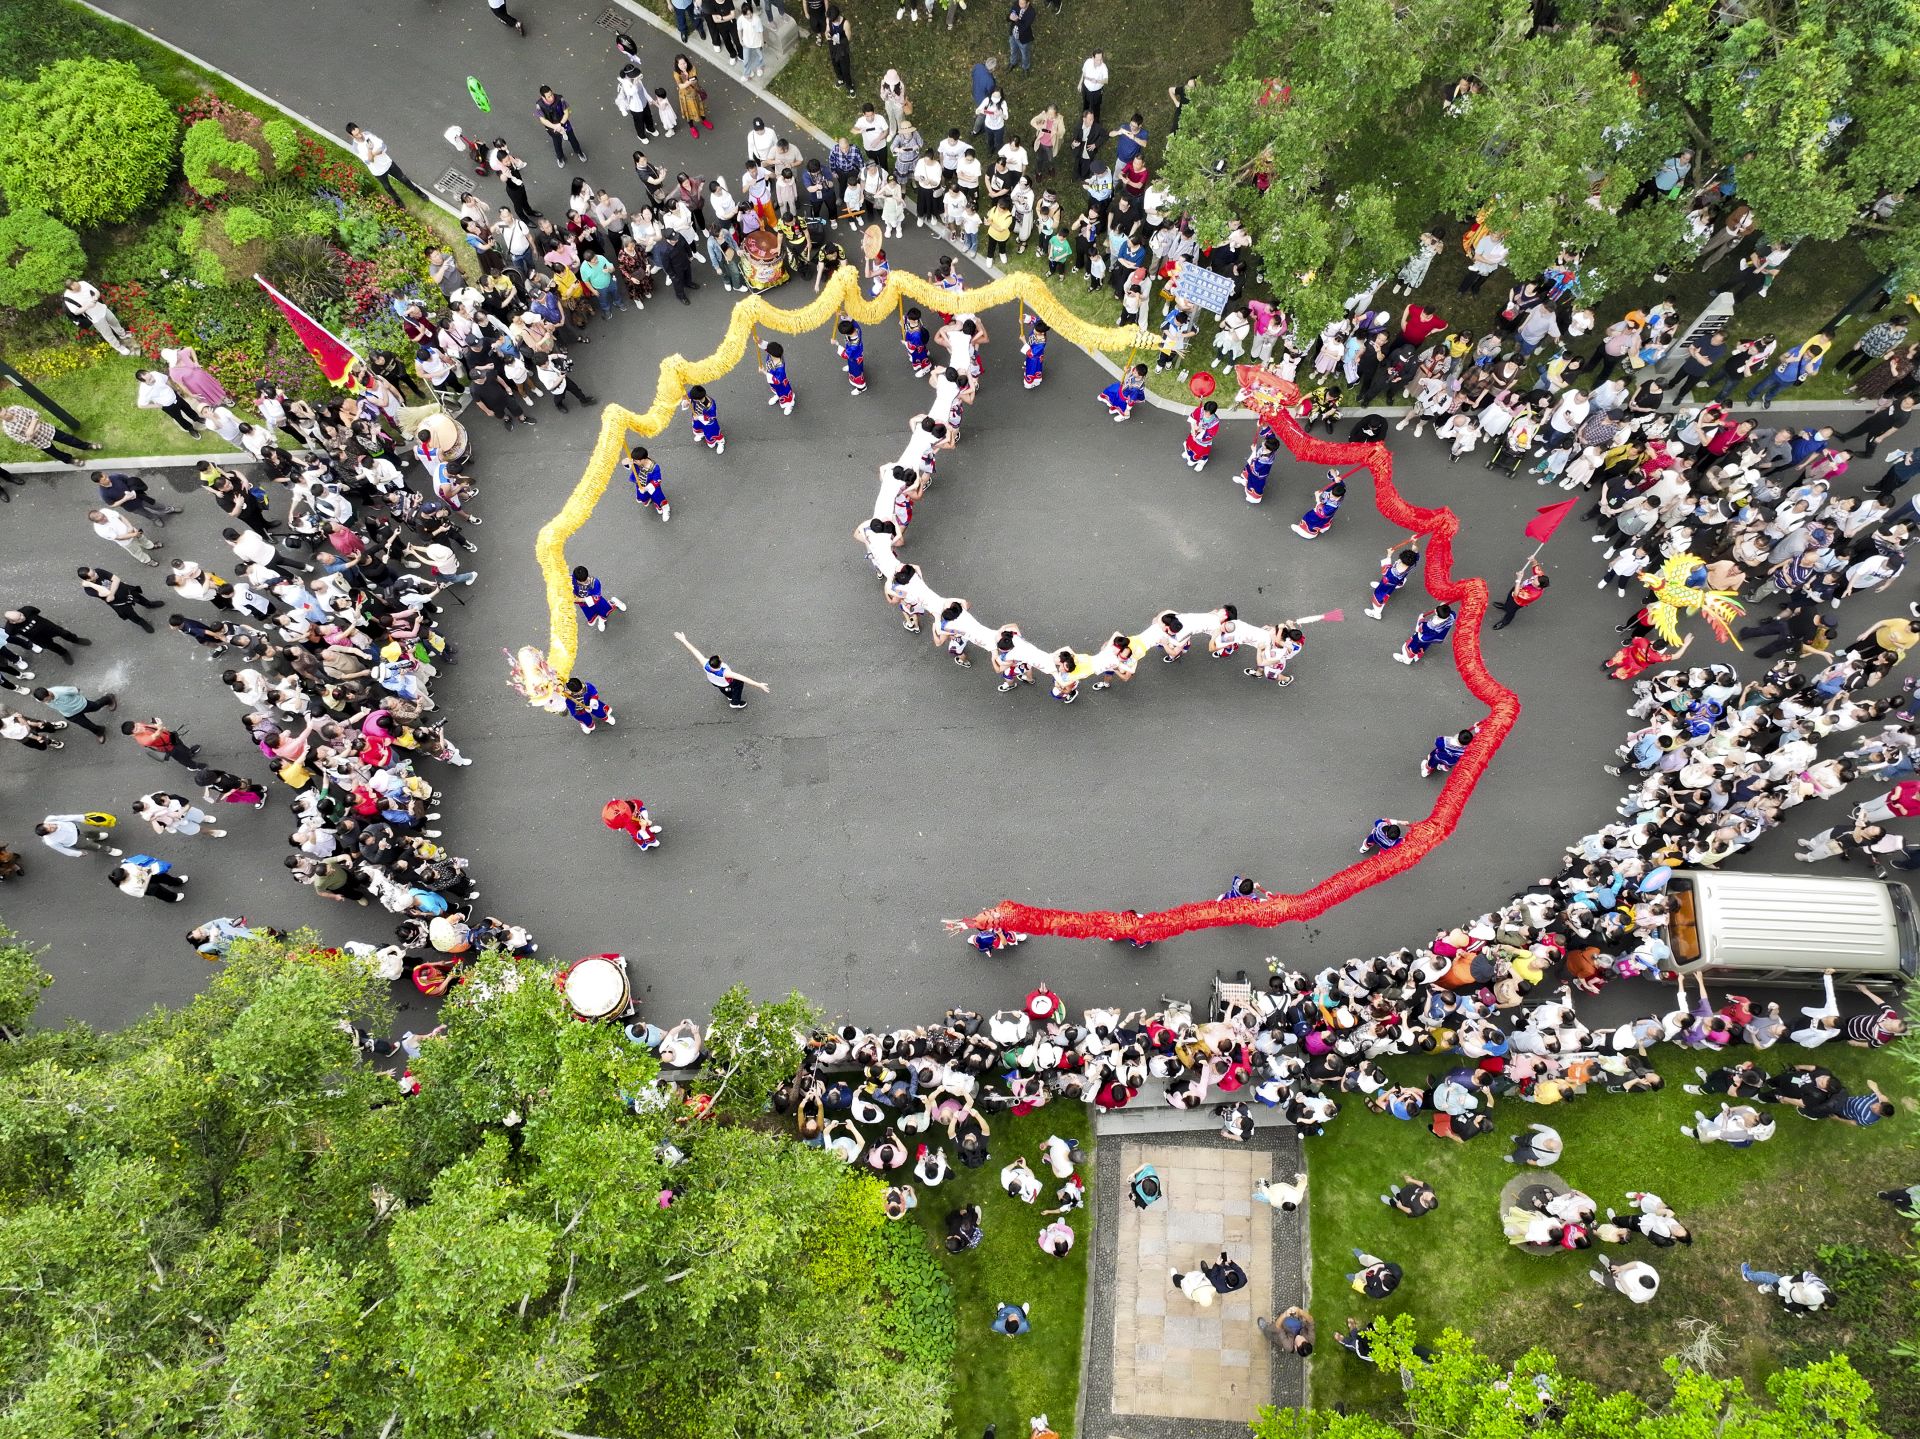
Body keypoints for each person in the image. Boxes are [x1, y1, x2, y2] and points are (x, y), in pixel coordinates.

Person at [675, 631, 770, 710]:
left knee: (722, 688)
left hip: (714, 682)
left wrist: (684, 640)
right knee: (739, 683)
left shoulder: (705, 663)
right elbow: (743, 678)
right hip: (726, 682)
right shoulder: (725, 673)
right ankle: (735, 702)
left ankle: (729, 695)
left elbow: (694, 651)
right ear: (720, 663)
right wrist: (759, 685)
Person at [345, 123, 427, 203]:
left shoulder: (368, 134)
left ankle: (418, 193)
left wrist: (374, 154)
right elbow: (370, 161)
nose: (360, 135)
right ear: (352, 136)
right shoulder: (356, 148)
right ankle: (398, 201)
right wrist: (371, 151)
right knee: (388, 188)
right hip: (378, 172)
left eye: (359, 132)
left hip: (388, 163)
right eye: (356, 135)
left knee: (403, 179)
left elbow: (383, 146)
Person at [1, 401, 98, 465]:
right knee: (55, 453)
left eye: (6, 411)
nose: (8, 414)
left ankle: (87, 446)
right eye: (5, 415)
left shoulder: (16, 409)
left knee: (68, 439)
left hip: (47, 429)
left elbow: (35, 413)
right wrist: (35, 427)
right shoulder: (8, 429)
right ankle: (70, 460)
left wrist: (30, 430)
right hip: (38, 441)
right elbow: (24, 441)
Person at [61, 279, 138, 356]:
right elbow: (75, 312)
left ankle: (122, 334)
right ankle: (118, 347)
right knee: (107, 333)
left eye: (79, 286)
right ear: (70, 289)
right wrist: (87, 306)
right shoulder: (68, 298)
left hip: (101, 308)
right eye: (77, 289)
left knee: (114, 321)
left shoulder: (83, 283)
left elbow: (96, 291)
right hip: (94, 317)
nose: (79, 288)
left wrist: (95, 297)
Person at [1492, 559, 1549, 630]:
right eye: (1536, 578)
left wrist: (1519, 579)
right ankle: (1505, 607)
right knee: (1508, 601)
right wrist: (1533, 560)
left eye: (1536, 580)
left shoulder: (1533, 594)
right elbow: (1535, 565)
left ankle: (1505, 622)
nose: (1535, 578)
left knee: (1511, 611)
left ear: (1539, 586)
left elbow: (1516, 594)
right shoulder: (1540, 577)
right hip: (1517, 589)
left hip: (1517, 601)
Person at [1589, 1254, 1659, 1303]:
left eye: (1639, 1278)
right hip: (1624, 1269)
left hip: (1620, 1283)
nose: (1639, 1275)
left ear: (1642, 1285)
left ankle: (1602, 1280)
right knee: (1613, 1263)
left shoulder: (1641, 1296)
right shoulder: (1652, 1273)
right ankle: (1608, 1265)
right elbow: (1635, 1264)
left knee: (1607, 1281)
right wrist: (1620, 1268)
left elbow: (1629, 1292)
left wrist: (1621, 1281)